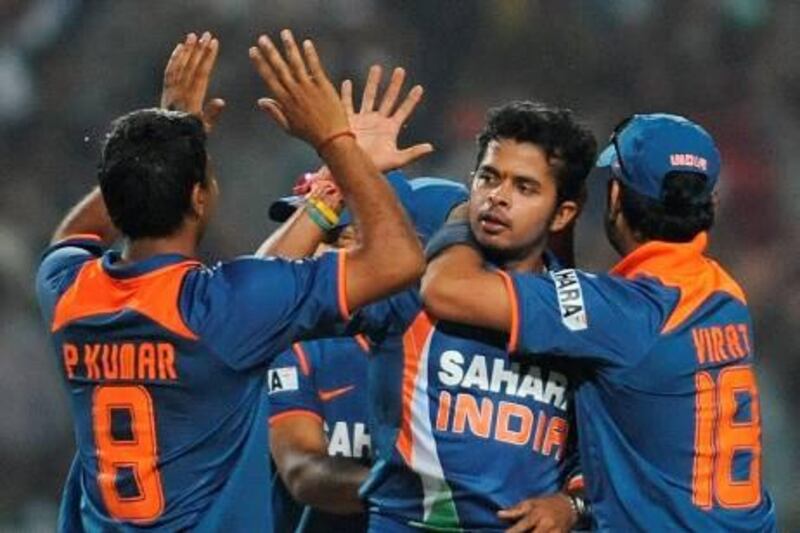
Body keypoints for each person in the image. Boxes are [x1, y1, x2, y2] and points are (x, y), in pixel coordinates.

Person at [35, 29, 424, 532]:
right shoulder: (224, 308)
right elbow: (397, 259)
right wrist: (336, 141)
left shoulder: (67, 291)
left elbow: (76, 232)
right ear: (198, 198)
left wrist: (165, 137)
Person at [421, 113, 777, 531]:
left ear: (614, 199)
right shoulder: (724, 295)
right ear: (708, 204)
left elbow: (448, 289)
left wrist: (468, 207)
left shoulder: (621, 314)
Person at [267, 100, 597, 532]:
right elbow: (268, 299)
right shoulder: (409, 292)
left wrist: (571, 503)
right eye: (489, 177)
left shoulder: (583, 315)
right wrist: (337, 176)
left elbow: (615, 451)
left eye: (525, 188)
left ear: (564, 213)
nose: (498, 196)